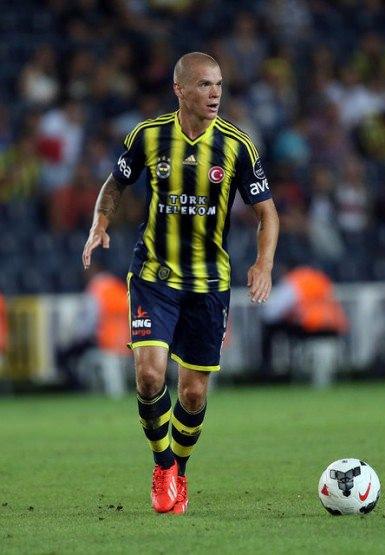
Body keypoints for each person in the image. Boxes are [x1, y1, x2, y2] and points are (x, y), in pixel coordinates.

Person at [82, 52, 279, 514]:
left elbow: (267, 213)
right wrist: (99, 223)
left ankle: (180, 473)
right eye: (205, 84)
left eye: (219, 85)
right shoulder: (148, 136)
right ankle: (162, 466)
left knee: (192, 393)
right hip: (154, 276)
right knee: (150, 376)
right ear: (180, 90)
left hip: (209, 284)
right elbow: (115, 184)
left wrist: (264, 264)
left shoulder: (237, 146)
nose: (215, 93)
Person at [260, 265, 348, 376]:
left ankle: (268, 369)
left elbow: (271, 312)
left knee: (270, 328)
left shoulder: (294, 281)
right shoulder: (320, 278)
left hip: (310, 325)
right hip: (333, 326)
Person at [57, 261, 129, 391]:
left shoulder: (96, 289)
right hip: (127, 342)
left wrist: (77, 337)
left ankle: (77, 388)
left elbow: (89, 322)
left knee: (65, 353)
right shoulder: (118, 287)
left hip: (105, 343)